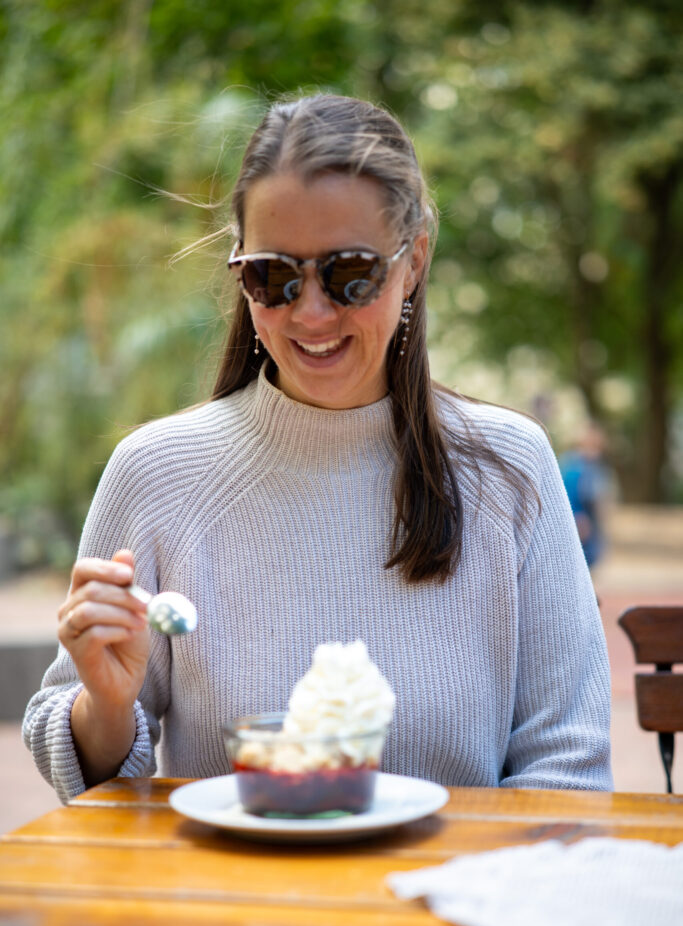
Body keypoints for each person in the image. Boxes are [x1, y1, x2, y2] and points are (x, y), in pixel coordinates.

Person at [23, 94, 612, 803]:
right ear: (240, 273)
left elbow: (566, 767)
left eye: (348, 273)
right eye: (272, 276)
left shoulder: (509, 468)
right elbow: (79, 767)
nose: (309, 312)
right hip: (230, 906)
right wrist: (109, 705)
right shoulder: (156, 472)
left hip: (453, 898)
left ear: (413, 261)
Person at [559, 425, 609, 570]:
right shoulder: (573, 464)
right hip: (581, 518)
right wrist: (577, 515)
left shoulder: (595, 464)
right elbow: (568, 493)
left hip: (592, 520)